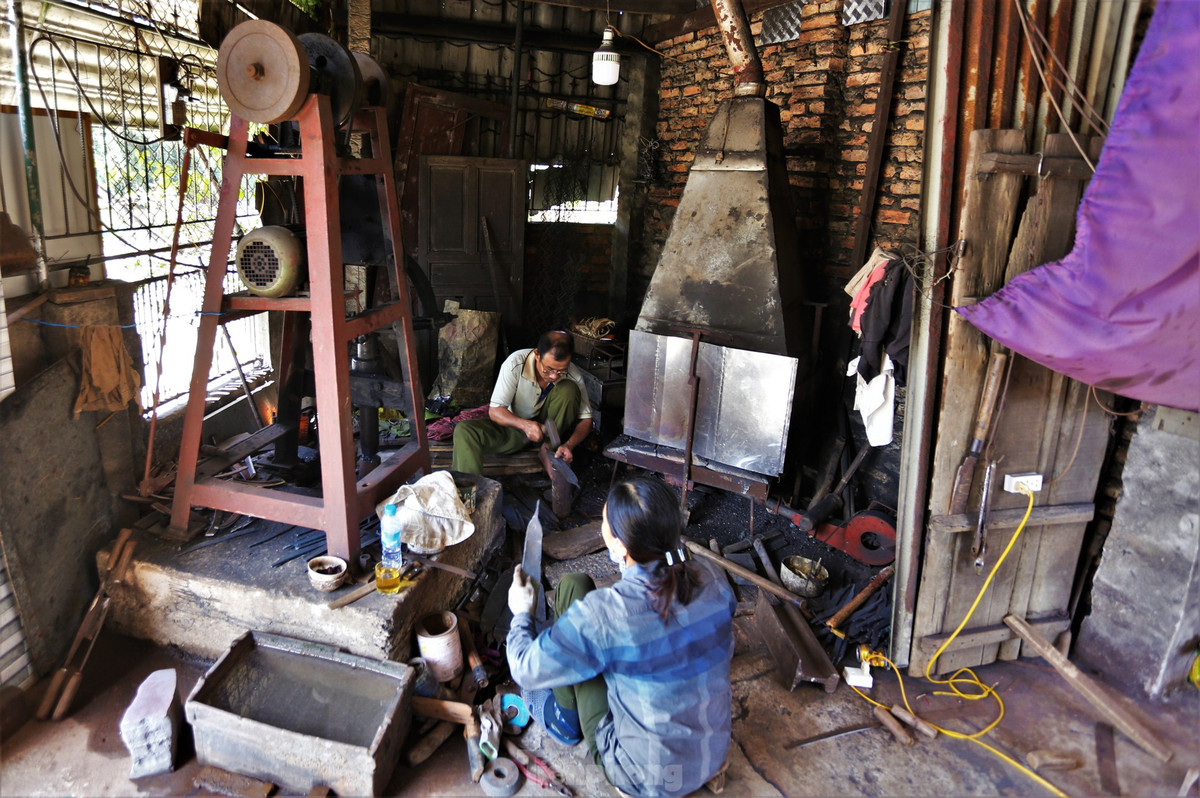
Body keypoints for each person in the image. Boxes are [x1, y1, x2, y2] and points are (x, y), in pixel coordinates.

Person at [506, 477, 736, 798]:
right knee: (578, 591)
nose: (602, 527)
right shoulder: (713, 576)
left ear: (620, 547)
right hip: (710, 755)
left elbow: (524, 667)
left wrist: (521, 612)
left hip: (648, 778)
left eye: (604, 523)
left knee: (541, 681)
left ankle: (564, 721)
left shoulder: (608, 614)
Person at [452, 330, 594, 475]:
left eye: (561, 371)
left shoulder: (572, 374)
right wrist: (525, 425)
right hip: (515, 428)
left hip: (548, 433)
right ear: (537, 355)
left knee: (569, 388)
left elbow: (586, 420)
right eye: (548, 369)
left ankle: (548, 450)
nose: (554, 376)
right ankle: (468, 493)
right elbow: (495, 411)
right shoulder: (515, 364)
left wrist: (568, 445)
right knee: (465, 430)